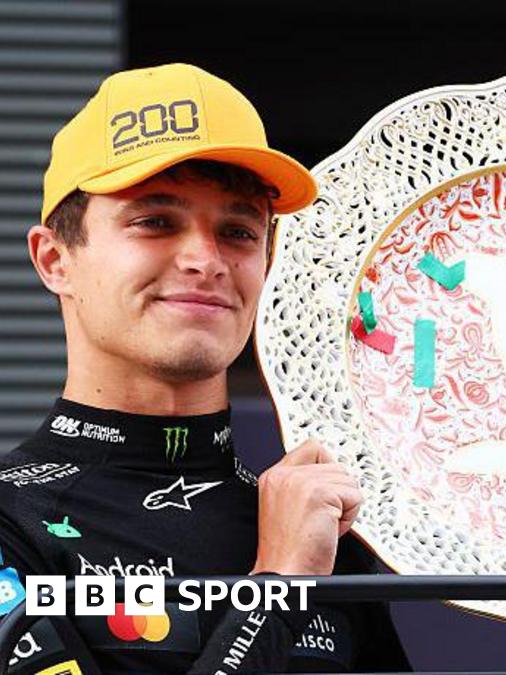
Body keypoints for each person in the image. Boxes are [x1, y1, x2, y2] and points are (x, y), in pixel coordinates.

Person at [0, 63, 411, 673]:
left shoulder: (321, 526)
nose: (205, 259)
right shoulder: (13, 522)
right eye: (155, 222)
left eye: (239, 231)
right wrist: (280, 587)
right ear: (55, 259)